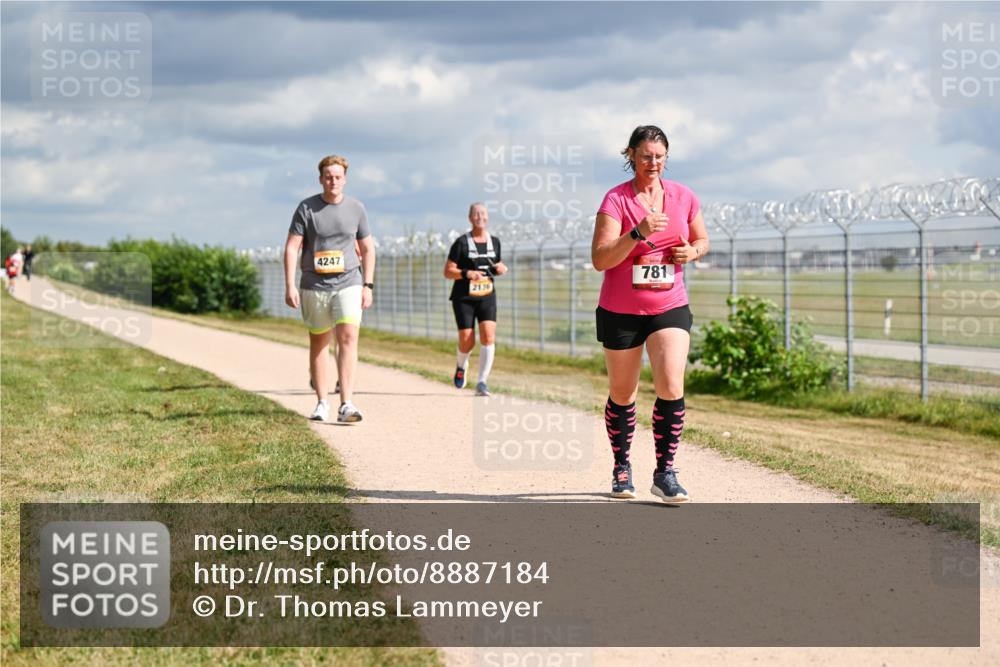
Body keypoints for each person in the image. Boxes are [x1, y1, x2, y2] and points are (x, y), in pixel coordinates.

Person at [591, 125, 709, 503]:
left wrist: (693, 252)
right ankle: (621, 467)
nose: (653, 163)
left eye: (659, 156)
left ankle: (665, 472)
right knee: (623, 393)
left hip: (669, 304)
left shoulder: (684, 197)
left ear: (667, 158)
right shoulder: (616, 200)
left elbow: (702, 239)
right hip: (620, 309)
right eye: (645, 156)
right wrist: (637, 234)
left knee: (671, 384)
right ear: (631, 156)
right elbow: (600, 258)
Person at [285, 155, 375, 423]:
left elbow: (368, 248)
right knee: (320, 342)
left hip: (349, 281)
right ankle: (322, 402)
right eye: (328, 176)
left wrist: (368, 285)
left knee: (348, 338)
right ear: (321, 178)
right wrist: (290, 284)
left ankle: (346, 403)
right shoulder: (306, 208)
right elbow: (292, 247)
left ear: (344, 179)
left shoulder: (356, 208)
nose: (332, 181)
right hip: (314, 285)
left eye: (337, 176)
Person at [443, 202, 508, 396]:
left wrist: (501, 268)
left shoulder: (494, 242)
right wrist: (466, 273)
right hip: (464, 297)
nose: (480, 217)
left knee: (488, 336)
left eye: (484, 214)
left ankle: (482, 382)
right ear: (470, 218)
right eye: (476, 214)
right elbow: (448, 271)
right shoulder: (461, 243)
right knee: (467, 339)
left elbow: (496, 265)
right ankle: (461, 365)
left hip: (487, 295)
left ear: (488, 217)